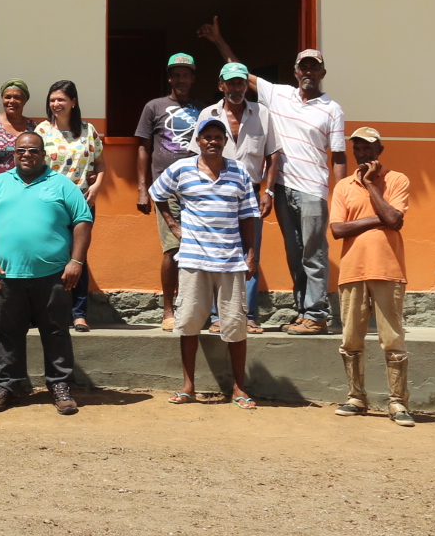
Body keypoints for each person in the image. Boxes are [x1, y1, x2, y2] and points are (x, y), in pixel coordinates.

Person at [198, 21, 347, 336]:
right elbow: (239, 72)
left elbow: (339, 156)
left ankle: (317, 314)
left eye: (314, 67)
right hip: (281, 188)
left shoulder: (332, 109)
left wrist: (342, 196)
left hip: (313, 190)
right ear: (295, 72)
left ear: (322, 72)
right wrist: (218, 40)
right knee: (295, 254)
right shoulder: (279, 95)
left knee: (314, 254)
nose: (308, 72)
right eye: (303, 67)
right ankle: (303, 313)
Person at [0, 132, 93, 414]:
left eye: (33, 150)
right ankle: (7, 385)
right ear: (14, 153)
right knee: (8, 333)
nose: (27, 154)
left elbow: (83, 221)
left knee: (56, 332)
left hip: (53, 275)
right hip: (7, 275)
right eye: (21, 150)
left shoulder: (62, 184)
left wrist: (76, 261)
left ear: (44, 154)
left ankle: (61, 386)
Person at [150, 116, 262, 408]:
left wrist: (251, 254)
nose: (213, 141)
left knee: (235, 326)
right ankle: (188, 387)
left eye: (218, 137)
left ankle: (239, 389)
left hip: (230, 260)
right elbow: (157, 193)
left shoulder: (239, 171)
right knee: (188, 323)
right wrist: (173, 225)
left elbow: (248, 215)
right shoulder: (182, 168)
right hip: (193, 259)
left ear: (225, 142)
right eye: (207, 137)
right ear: (198, 141)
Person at [330, 128, 415, 426]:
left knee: (392, 339)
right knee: (351, 338)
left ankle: (397, 403)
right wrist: (381, 219)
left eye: (368, 148)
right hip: (352, 271)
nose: (363, 154)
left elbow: (395, 219)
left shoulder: (397, 180)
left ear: (380, 149)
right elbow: (337, 229)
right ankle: (356, 398)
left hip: (387, 271)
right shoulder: (343, 186)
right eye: (358, 149)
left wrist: (369, 184)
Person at [195, 62, 277, 331]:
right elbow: (197, 155)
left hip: (251, 192)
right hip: (216, 192)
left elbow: (273, 154)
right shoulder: (208, 113)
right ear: (221, 85)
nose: (236, 88)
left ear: (246, 86)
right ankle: (218, 317)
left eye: (240, 83)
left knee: (250, 253)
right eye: (231, 83)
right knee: (218, 251)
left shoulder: (262, 113)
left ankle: (247, 316)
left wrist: (268, 191)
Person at [133, 52, 203, 332]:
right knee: (173, 248)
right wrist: (143, 189)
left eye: (186, 74)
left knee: (199, 247)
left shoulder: (204, 110)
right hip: (165, 188)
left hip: (197, 186)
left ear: (193, 78)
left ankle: (194, 307)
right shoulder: (154, 106)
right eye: (176, 74)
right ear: (169, 78)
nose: (181, 79)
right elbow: (143, 148)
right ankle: (168, 310)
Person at [37, 80, 107, 332]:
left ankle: (79, 314)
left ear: (73, 102)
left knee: (78, 256)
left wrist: (97, 187)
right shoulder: (42, 131)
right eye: (52, 100)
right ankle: (51, 311)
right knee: (51, 255)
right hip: (49, 202)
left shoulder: (89, 130)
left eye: (61, 99)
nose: (56, 104)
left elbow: (100, 163)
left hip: (82, 201)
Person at [0, 80, 38, 183]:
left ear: (25, 101)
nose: (12, 101)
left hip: (24, 185)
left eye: (17, 97)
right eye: (7, 97)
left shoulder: (34, 128)